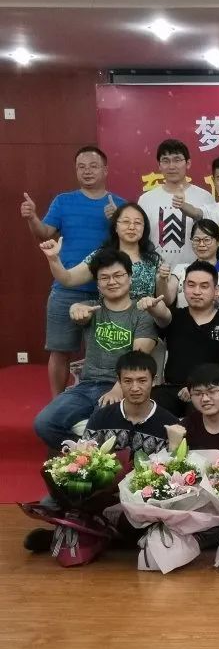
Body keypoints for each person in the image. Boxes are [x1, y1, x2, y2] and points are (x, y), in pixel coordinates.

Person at [20, 145, 128, 397]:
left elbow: (131, 242)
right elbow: (44, 233)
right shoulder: (63, 201)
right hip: (66, 288)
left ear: (105, 170)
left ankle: (99, 402)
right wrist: (32, 217)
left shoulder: (120, 205)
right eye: (81, 167)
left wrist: (117, 220)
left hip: (108, 291)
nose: (87, 171)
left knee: (104, 353)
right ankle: (57, 403)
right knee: (60, 350)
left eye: (93, 166)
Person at [33, 250, 158, 449]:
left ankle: (91, 457)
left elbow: (138, 360)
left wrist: (118, 389)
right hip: (86, 386)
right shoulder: (91, 309)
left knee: (99, 427)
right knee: (44, 423)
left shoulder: (142, 313)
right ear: (98, 284)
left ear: (130, 278)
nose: (112, 282)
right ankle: (84, 456)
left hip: (119, 386)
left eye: (118, 275)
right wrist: (75, 309)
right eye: (104, 277)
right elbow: (77, 311)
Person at [146, 260, 219, 416]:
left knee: (200, 411)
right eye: (191, 285)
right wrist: (151, 305)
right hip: (171, 390)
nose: (196, 291)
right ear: (183, 287)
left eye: (204, 286)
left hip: (208, 390)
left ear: (216, 290)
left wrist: (199, 386)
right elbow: (161, 312)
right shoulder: (174, 317)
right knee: (149, 408)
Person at [38, 202, 162, 301]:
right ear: (116, 227)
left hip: (144, 323)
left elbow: (166, 297)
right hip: (109, 323)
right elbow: (68, 279)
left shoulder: (154, 260)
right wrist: (54, 259)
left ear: (144, 228)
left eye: (137, 223)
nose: (131, 227)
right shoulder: (102, 256)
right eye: (126, 221)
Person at [81, 350, 179, 457]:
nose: (135, 388)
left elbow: (175, 463)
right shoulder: (100, 418)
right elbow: (84, 457)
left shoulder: (171, 425)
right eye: (128, 381)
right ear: (119, 381)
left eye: (142, 381)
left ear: (154, 381)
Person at [137, 139, 214, 263]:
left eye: (177, 160)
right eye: (165, 161)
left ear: (188, 163)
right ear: (159, 165)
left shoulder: (205, 198)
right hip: (156, 271)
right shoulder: (146, 199)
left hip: (195, 272)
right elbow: (140, 241)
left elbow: (213, 240)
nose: (171, 166)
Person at [158, 219, 219, 312]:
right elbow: (166, 300)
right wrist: (162, 279)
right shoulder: (180, 270)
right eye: (196, 240)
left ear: (218, 242)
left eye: (207, 240)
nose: (201, 244)